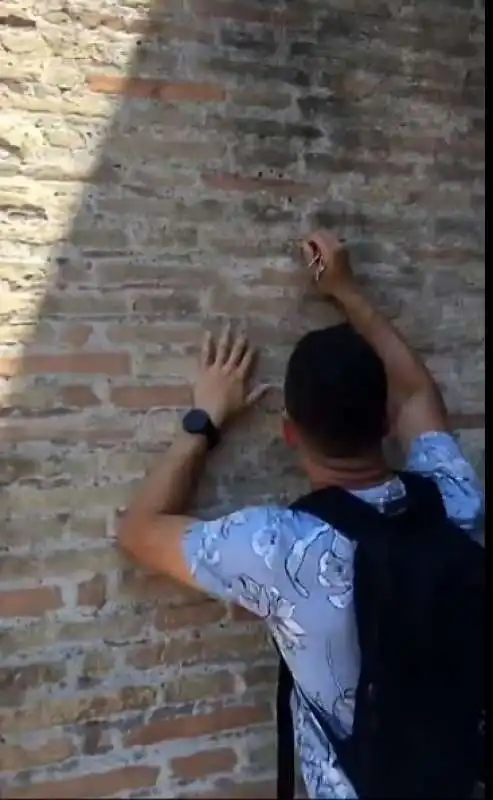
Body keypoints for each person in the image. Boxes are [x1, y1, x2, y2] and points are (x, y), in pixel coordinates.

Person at [118, 230, 484, 799]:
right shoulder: (454, 499)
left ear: (290, 432)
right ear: (385, 424)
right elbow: (416, 395)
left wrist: (205, 419)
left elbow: (141, 530)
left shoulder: (278, 548)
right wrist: (347, 290)